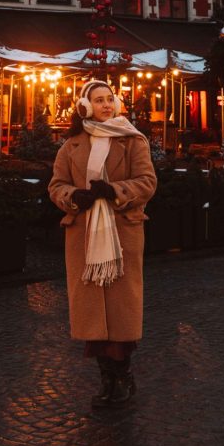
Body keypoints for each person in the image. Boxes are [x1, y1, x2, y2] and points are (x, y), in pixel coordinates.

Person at [48, 79, 157, 409]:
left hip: (122, 234)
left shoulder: (132, 141)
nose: (107, 105)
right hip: (84, 238)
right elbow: (56, 186)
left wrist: (115, 191)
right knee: (93, 315)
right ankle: (106, 378)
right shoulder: (70, 146)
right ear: (85, 107)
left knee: (121, 312)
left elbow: (148, 182)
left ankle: (123, 375)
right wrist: (73, 196)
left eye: (110, 99)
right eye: (99, 100)